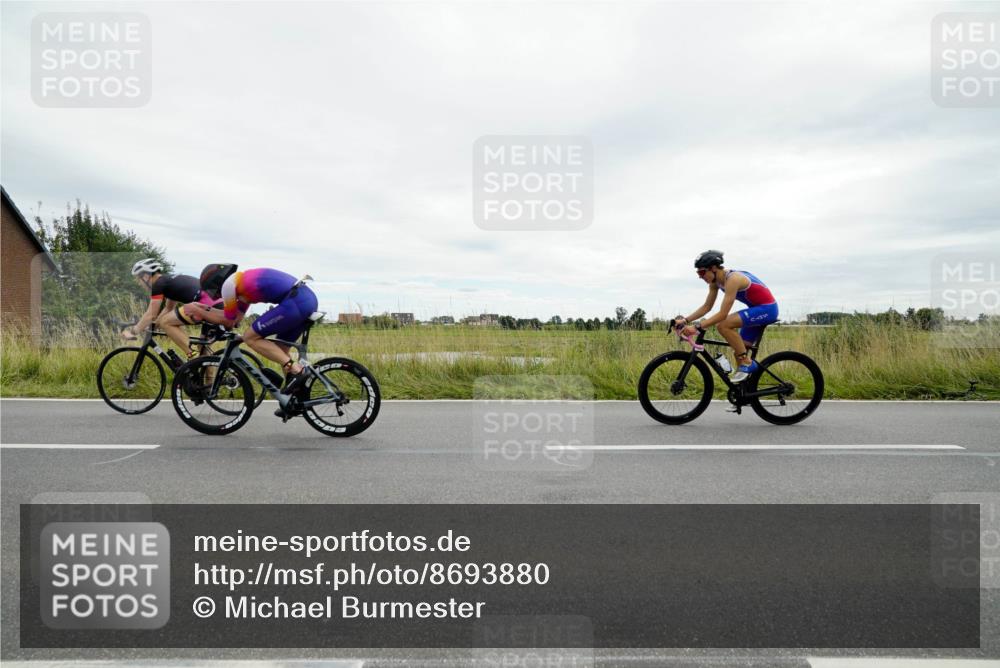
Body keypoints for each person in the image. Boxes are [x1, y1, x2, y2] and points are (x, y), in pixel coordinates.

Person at [189, 264, 318, 405]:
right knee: (280, 350)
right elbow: (236, 318)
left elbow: (228, 322)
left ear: (216, 282)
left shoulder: (228, 286)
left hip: (296, 301)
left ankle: (297, 370)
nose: (216, 295)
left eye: (213, 290)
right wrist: (205, 309)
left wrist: (198, 310)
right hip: (305, 299)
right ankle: (296, 400)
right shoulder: (241, 284)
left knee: (250, 338)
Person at [674, 250, 779, 382]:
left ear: (713, 268)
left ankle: (747, 362)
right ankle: (744, 390)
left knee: (723, 325)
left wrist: (696, 327)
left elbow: (723, 314)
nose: (700, 277)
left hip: (768, 309)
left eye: (702, 272)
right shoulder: (715, 283)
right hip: (755, 309)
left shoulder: (733, 279)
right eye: (698, 273)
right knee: (739, 349)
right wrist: (685, 320)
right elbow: (707, 307)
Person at [124, 258, 223, 359]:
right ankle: (206, 368)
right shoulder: (169, 281)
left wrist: (133, 331)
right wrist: (154, 326)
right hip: (219, 306)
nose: (138, 283)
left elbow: (151, 314)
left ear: (145, 276)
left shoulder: (158, 284)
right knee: (203, 350)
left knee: (165, 322)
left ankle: (193, 356)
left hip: (206, 306)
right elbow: (168, 309)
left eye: (138, 279)